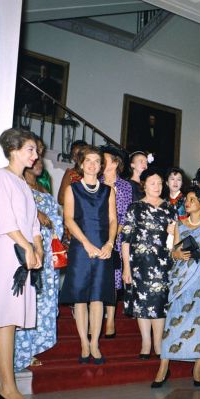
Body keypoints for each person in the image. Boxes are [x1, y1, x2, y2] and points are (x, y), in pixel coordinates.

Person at [0, 128, 42, 399]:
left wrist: (37, 246)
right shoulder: (1, 178)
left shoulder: (23, 183)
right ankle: (8, 388)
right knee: (4, 320)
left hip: (22, 253)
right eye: (30, 149)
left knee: (0, 321)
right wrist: (27, 247)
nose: (35, 155)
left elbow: (34, 225)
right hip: (8, 253)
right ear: (14, 149)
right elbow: (5, 220)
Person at [152, 187, 200, 387]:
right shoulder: (179, 226)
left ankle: (197, 368)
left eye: (192, 199)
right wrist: (177, 255)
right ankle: (163, 366)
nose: (188, 202)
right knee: (174, 322)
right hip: (182, 280)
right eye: (187, 199)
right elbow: (173, 251)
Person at [60, 145, 117, 365]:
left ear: (101, 166)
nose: (92, 164)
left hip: (103, 248)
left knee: (97, 298)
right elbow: (69, 220)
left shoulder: (107, 191)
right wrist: (86, 244)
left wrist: (110, 244)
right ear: (81, 164)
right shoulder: (72, 189)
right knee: (80, 298)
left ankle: (95, 343)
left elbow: (113, 220)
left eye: (96, 161)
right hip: (81, 248)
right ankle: (84, 342)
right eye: (88, 161)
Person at [14, 154, 63, 370]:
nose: (39, 162)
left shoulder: (44, 190)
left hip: (49, 256)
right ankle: (21, 354)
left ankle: (33, 348)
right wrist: (37, 213)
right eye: (34, 159)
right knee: (29, 301)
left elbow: (55, 221)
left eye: (41, 159)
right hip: (31, 252)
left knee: (43, 303)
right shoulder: (19, 187)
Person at [122, 169, 177, 358]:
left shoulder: (169, 207)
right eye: (152, 183)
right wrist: (126, 268)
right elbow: (126, 239)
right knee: (142, 303)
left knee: (160, 302)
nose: (157, 187)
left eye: (160, 183)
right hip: (139, 264)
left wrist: (173, 231)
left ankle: (158, 343)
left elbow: (176, 239)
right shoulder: (134, 207)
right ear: (144, 185)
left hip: (163, 262)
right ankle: (145, 343)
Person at [100, 145, 133, 338]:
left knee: (112, 278)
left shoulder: (125, 186)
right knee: (96, 277)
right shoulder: (96, 181)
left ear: (115, 162)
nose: (101, 163)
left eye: (104, 160)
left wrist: (113, 236)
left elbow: (127, 214)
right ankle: (94, 319)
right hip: (96, 234)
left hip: (118, 236)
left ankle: (110, 320)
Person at [57, 140, 87, 205]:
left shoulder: (95, 173)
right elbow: (61, 200)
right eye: (73, 155)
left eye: (79, 154)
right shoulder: (70, 173)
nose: (76, 158)